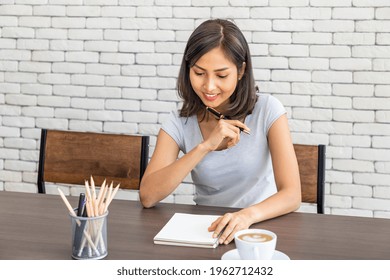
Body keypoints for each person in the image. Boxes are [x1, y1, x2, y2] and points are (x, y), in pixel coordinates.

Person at [139, 19, 301, 245]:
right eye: (199, 73)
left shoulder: (268, 109)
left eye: (221, 75)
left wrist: (246, 215)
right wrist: (205, 146)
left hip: (260, 226)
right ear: (188, 70)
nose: (209, 86)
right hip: (208, 231)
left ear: (241, 70)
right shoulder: (179, 121)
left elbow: (292, 195)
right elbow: (148, 196)